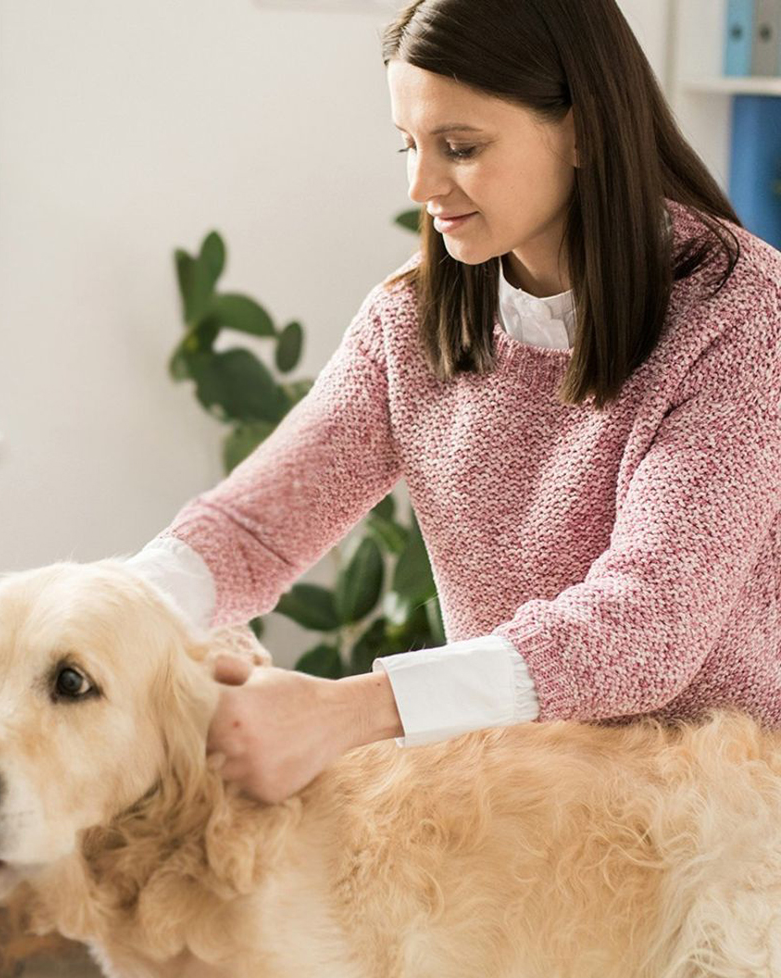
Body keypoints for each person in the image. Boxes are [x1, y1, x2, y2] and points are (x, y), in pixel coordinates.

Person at [126, 0, 781, 808]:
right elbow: (258, 526)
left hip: (715, 821)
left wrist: (346, 711)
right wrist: (100, 620)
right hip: (514, 804)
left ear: (583, 129)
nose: (420, 184)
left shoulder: (740, 314)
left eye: (460, 148)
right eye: (408, 144)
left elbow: (647, 627)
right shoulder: (412, 318)